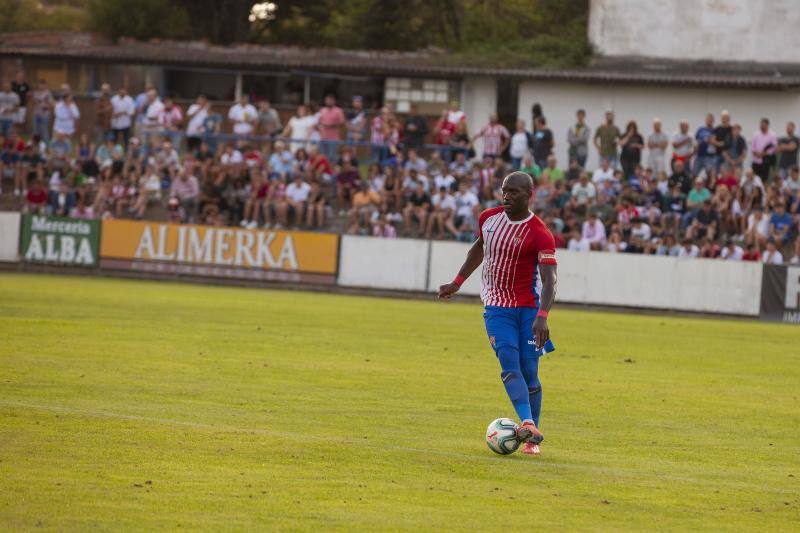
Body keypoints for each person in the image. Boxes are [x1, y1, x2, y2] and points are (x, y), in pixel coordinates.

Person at [437, 172, 557, 457]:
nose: (507, 197)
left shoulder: (539, 233)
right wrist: (457, 282)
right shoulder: (488, 219)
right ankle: (527, 422)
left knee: (531, 375)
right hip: (497, 307)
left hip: (529, 309)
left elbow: (550, 279)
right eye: (504, 191)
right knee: (508, 363)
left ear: (530, 195)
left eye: (514, 192)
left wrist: (543, 315)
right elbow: (479, 248)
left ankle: (531, 437)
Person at [316, 93, 345, 161]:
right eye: (327, 100)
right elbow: (317, 123)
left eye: (330, 100)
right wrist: (319, 128)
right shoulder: (322, 110)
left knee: (332, 157)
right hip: (323, 138)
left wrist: (332, 125)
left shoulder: (338, 111)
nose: (328, 102)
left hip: (333, 139)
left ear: (334, 101)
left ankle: (332, 171)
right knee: (322, 157)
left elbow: (342, 123)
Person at [751, 118, 778, 182]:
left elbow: (773, 148)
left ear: (767, 125)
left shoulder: (773, 135)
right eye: (761, 125)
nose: (762, 127)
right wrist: (756, 153)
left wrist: (763, 154)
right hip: (756, 160)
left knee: (764, 179)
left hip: (766, 160)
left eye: (764, 125)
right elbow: (752, 147)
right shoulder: (755, 134)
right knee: (754, 179)